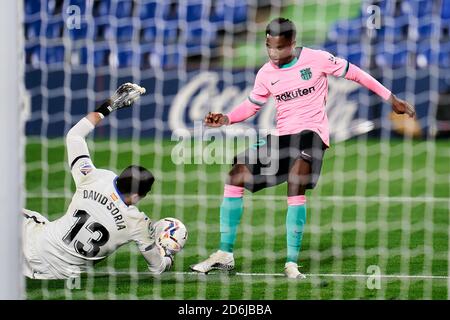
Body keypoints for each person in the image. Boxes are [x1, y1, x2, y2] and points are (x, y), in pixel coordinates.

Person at [190, 17, 415, 278]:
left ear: (292, 44)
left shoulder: (316, 59)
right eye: (269, 47)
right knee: (236, 175)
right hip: (282, 136)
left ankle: (291, 262)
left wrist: (392, 98)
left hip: (312, 134)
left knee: (296, 180)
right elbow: (253, 104)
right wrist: (227, 118)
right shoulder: (266, 73)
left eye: (280, 48)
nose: (274, 53)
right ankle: (225, 254)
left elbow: (356, 73)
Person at [23, 83, 178, 279]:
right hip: (58, 274)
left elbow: (75, 136)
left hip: (31, 245)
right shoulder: (137, 223)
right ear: (138, 195)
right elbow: (158, 268)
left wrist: (109, 105)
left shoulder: (94, 178)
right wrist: (168, 252)